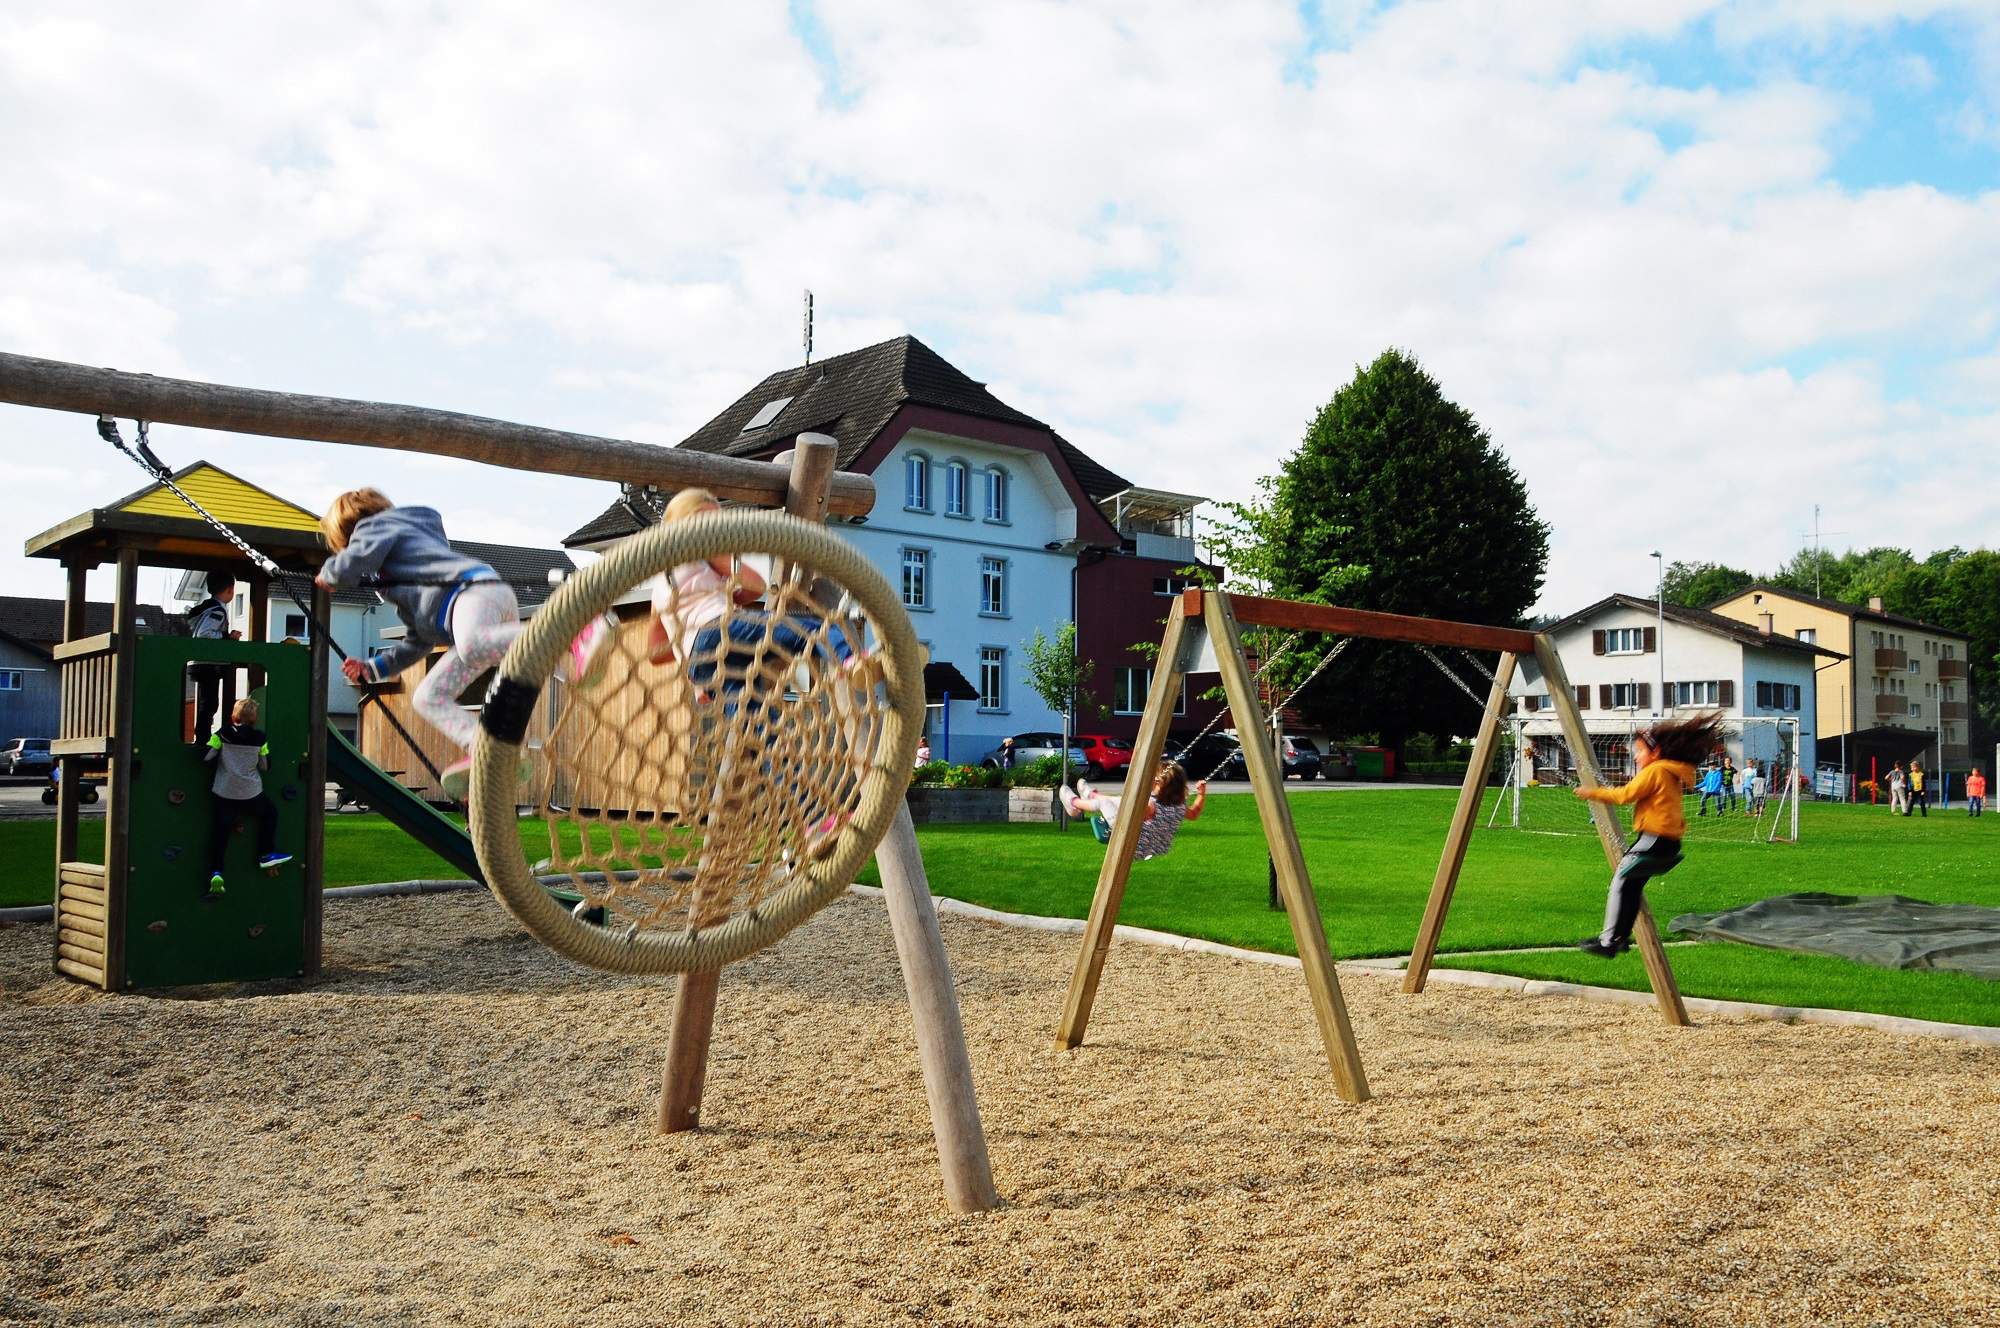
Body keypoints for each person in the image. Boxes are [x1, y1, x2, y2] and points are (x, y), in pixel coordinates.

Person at [316, 488, 607, 801]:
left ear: (350, 535)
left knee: (471, 646)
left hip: (473, 592)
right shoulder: (401, 571)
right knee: (428, 696)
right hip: (475, 610)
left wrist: (332, 574)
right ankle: (486, 748)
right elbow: (420, 639)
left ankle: (574, 629)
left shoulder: (378, 527)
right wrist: (373, 668)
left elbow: (358, 556)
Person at [1572, 712, 1721, 958]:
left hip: (1654, 839)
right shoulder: (1672, 771)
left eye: (1640, 751)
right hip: (1668, 843)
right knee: (1631, 888)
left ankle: (1609, 941)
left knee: (1620, 884)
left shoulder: (1656, 771)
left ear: (1656, 752)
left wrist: (1591, 793)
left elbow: (1624, 796)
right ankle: (1618, 938)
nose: (1636, 756)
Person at [204, 698, 291, 896]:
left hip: (225, 791)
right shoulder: (260, 738)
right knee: (269, 814)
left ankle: (216, 873)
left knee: (220, 835)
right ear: (254, 719)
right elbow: (265, 765)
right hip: (251, 792)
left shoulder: (222, 734)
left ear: (233, 716)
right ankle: (266, 853)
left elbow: (207, 756)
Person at [1060, 760, 1206, 860]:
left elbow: (1129, 811)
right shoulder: (1179, 806)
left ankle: (1074, 804)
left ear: (1159, 785)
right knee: (1116, 801)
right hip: (1152, 847)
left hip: (1131, 844)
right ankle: (1091, 795)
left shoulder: (1150, 806)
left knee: (1104, 803)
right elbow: (1194, 813)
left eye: (1154, 781)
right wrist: (1201, 794)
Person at [186, 570, 238, 745]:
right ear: (230, 590)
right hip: (209, 663)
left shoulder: (204, 608)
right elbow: (205, 634)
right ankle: (203, 738)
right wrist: (227, 638)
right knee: (210, 703)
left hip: (197, 662)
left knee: (205, 701)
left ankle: (202, 735)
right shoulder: (218, 611)